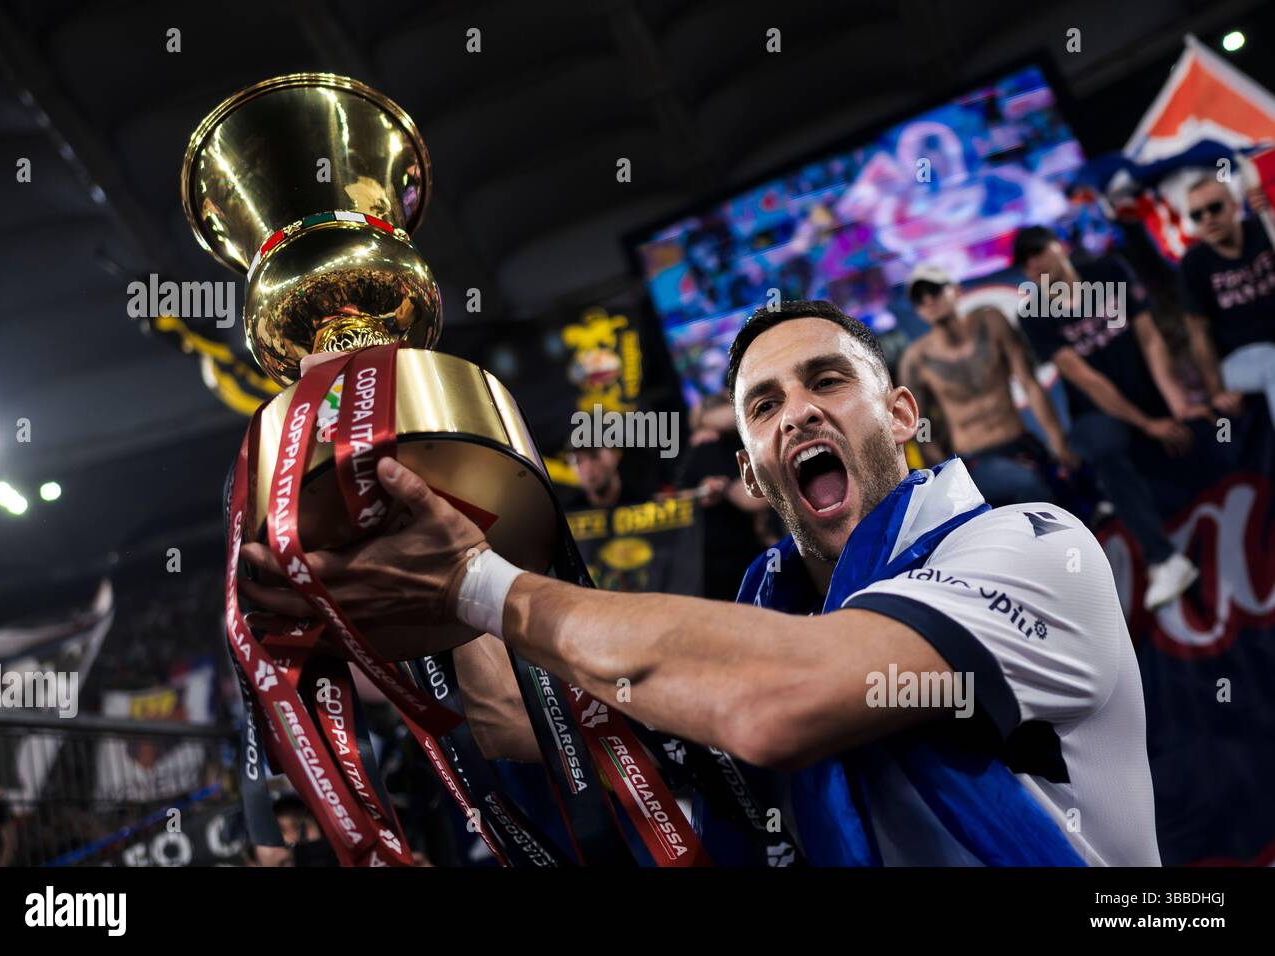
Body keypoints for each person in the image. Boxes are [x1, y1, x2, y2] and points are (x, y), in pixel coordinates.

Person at [242, 300, 1161, 866]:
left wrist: (481, 584)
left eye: (827, 381)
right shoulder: (757, 626)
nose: (797, 409)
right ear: (755, 473)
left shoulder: (1030, 545)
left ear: (902, 411)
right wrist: (397, 496)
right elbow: (519, 720)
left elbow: (783, 700)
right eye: (764, 405)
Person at [1012, 226, 1205, 611]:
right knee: (1102, 444)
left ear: (1061, 246)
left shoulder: (1109, 272)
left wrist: (1177, 404)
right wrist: (1147, 425)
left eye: (1038, 251)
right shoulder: (1034, 313)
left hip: (1151, 394)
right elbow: (1084, 377)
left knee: (1211, 426)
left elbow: (1150, 339)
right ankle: (1164, 559)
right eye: (1024, 260)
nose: (1033, 263)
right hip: (1100, 414)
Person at [899, 264, 1079, 507]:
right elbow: (920, 424)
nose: (929, 300)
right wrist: (944, 473)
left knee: (1069, 499)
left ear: (956, 290)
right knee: (1031, 491)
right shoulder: (916, 359)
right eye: (919, 299)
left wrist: (1056, 440)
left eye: (934, 290)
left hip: (1021, 444)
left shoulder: (991, 321)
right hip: (973, 460)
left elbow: (1029, 383)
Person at [1178, 176, 1275, 421]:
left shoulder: (1265, 228)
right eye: (1197, 215)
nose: (1207, 218)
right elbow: (1198, 333)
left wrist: (1271, 210)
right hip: (1239, 359)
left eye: (1215, 207)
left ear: (1234, 205)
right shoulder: (1193, 263)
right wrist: (1216, 392)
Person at [671, 391, 773, 600]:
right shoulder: (705, 448)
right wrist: (704, 490)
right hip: (716, 558)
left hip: (747, 552)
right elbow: (678, 497)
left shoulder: (748, 441)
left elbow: (752, 500)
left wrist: (724, 488)